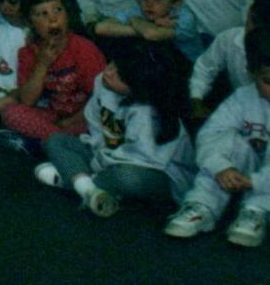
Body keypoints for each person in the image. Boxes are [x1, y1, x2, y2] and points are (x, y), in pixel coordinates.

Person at [33, 40, 193, 218]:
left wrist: (98, 164)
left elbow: (141, 159)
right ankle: (91, 191)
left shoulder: (147, 113)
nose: (109, 72)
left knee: (126, 178)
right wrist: (97, 153)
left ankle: (77, 182)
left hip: (154, 172)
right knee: (55, 139)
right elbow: (95, 123)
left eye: (120, 76)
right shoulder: (103, 82)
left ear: (138, 87)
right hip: (107, 157)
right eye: (112, 64)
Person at [164, 27, 270, 247]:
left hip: (264, 183)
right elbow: (212, 133)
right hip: (247, 170)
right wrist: (222, 167)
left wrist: (256, 182)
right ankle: (202, 205)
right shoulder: (243, 97)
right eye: (268, 81)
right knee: (229, 140)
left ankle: (255, 212)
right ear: (252, 72)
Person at [0, 0, 105, 156]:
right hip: (54, 117)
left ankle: (40, 145)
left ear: (67, 14)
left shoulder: (83, 48)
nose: (53, 19)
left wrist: (73, 120)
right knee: (11, 112)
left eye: (58, 10)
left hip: (85, 116)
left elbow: (100, 97)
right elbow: (27, 100)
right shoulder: (28, 53)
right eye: (42, 14)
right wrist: (42, 64)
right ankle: (64, 145)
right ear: (30, 22)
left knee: (102, 122)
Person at [92, 0, 206, 64]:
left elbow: (151, 34)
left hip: (189, 68)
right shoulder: (137, 11)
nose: (149, 3)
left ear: (177, 2)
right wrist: (138, 25)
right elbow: (100, 28)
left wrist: (135, 22)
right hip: (159, 64)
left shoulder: (185, 17)